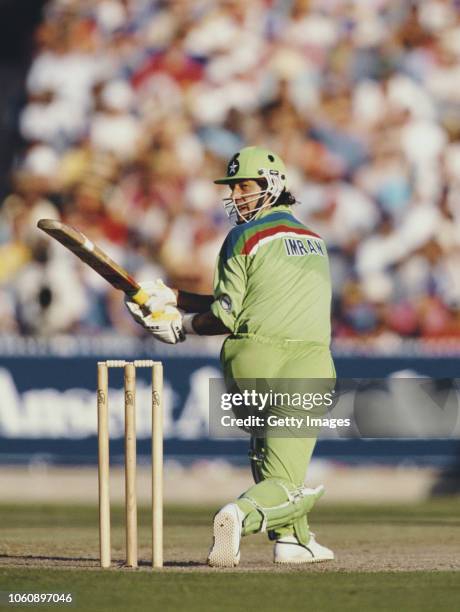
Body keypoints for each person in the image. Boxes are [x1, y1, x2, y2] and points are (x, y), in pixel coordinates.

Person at [126, 146, 336, 566]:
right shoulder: (315, 242)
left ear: (272, 186)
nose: (238, 195)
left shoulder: (243, 238)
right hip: (304, 363)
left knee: (268, 456)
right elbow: (229, 311)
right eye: (234, 187)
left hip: (246, 363)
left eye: (246, 185)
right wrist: (181, 316)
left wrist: (178, 308)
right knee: (288, 480)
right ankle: (240, 514)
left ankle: (294, 540)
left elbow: (233, 310)